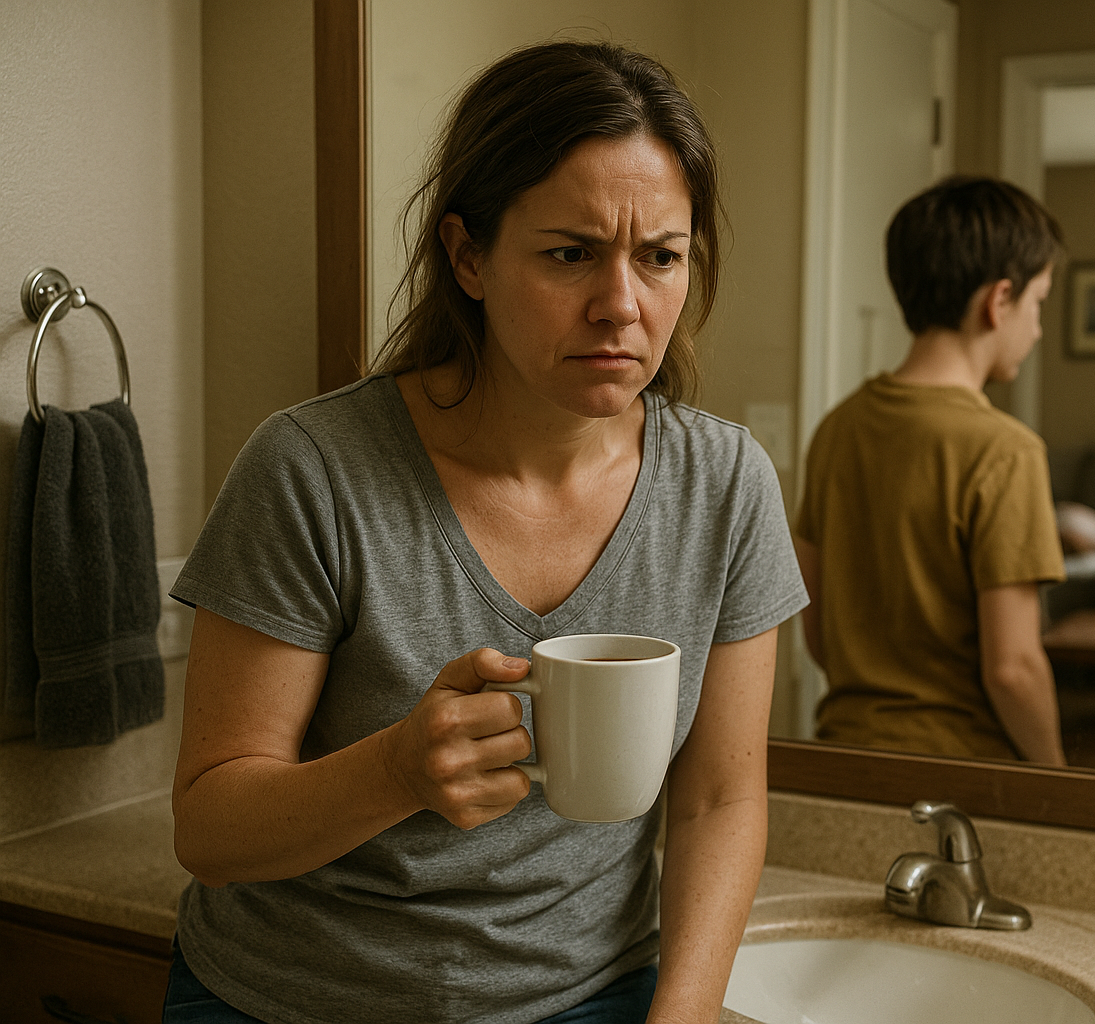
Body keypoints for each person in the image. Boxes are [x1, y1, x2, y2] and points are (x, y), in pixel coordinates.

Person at [165, 42, 806, 1024]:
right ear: (468, 255)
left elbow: (721, 797)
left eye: (660, 256)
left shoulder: (726, 485)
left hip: (595, 995)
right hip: (296, 1001)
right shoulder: (313, 470)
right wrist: (394, 771)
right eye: (570, 253)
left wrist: (683, 1012)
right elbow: (210, 825)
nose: (622, 306)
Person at [794, 176, 1068, 766]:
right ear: (998, 302)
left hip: (842, 760)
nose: (1038, 328)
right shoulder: (1005, 450)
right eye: (1038, 302)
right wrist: (1057, 778)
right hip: (960, 776)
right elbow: (1013, 669)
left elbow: (817, 633)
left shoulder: (837, 430)